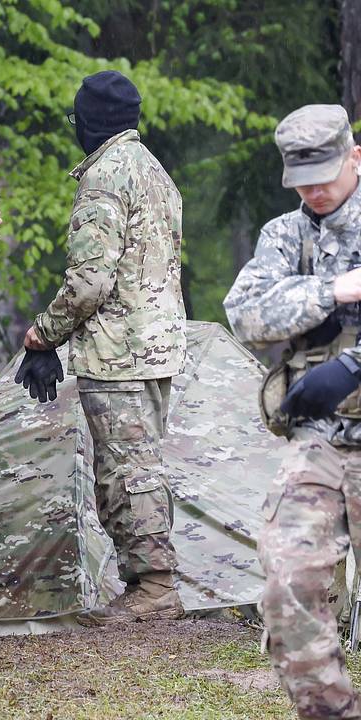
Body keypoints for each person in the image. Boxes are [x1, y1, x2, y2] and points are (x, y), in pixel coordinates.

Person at [18, 71, 186, 626]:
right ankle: (151, 581)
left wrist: (43, 334)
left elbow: (90, 281)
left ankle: (154, 588)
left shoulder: (105, 178)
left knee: (125, 472)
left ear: (88, 122)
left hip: (118, 353)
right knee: (143, 466)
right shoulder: (155, 170)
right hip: (157, 345)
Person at [224, 103, 361, 719]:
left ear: (355, 158)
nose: (313, 191)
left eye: (324, 177)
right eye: (300, 181)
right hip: (321, 441)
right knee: (287, 577)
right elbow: (247, 313)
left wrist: (353, 366)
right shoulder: (286, 234)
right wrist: (333, 291)